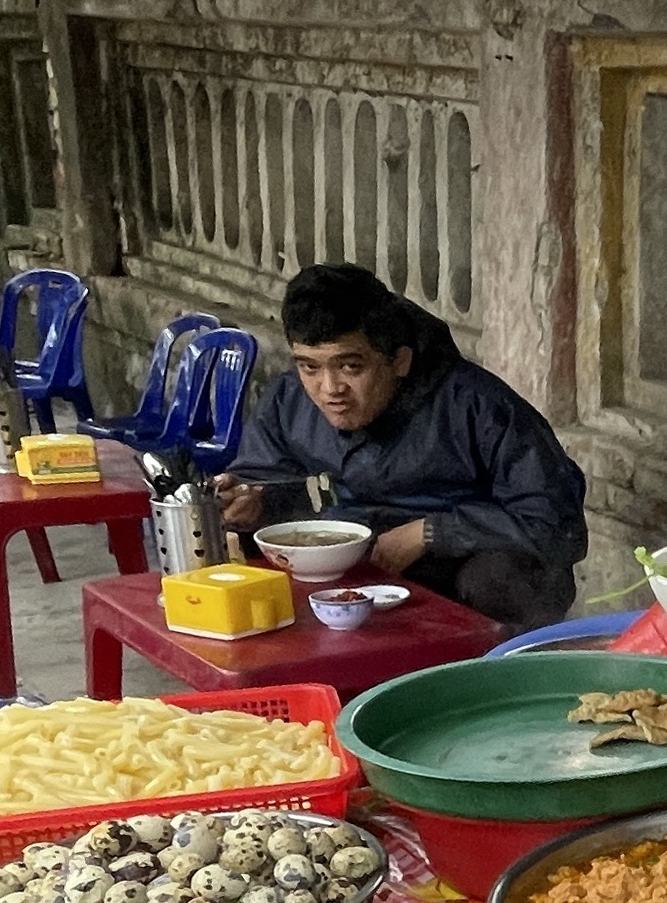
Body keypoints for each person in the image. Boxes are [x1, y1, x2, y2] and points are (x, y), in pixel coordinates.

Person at [217, 263, 587, 629]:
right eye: (310, 368)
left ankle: (498, 674)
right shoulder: (289, 399)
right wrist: (253, 502)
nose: (330, 389)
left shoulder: (478, 406)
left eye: (350, 367)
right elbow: (266, 480)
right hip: (350, 559)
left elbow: (556, 524)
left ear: (399, 360)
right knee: (240, 544)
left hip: (459, 568)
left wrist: (431, 532)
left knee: (502, 579)